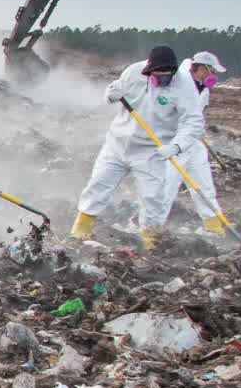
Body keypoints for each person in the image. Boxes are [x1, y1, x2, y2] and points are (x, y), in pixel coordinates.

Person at [71, 46, 205, 249]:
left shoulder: (184, 86)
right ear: (148, 71)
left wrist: (177, 146)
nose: (160, 81)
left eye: (165, 78)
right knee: (98, 185)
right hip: (117, 144)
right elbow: (113, 94)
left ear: (174, 72)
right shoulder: (133, 72)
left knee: (153, 197)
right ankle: (80, 231)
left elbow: (194, 122)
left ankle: (151, 242)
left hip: (151, 151)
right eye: (156, 77)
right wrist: (110, 94)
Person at [160, 51, 227, 235]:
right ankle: (151, 225)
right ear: (202, 67)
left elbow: (199, 113)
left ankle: (213, 225)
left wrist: (198, 130)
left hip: (194, 142)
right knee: (167, 185)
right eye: (211, 70)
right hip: (176, 141)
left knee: (204, 184)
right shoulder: (177, 82)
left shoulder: (202, 87)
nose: (213, 75)